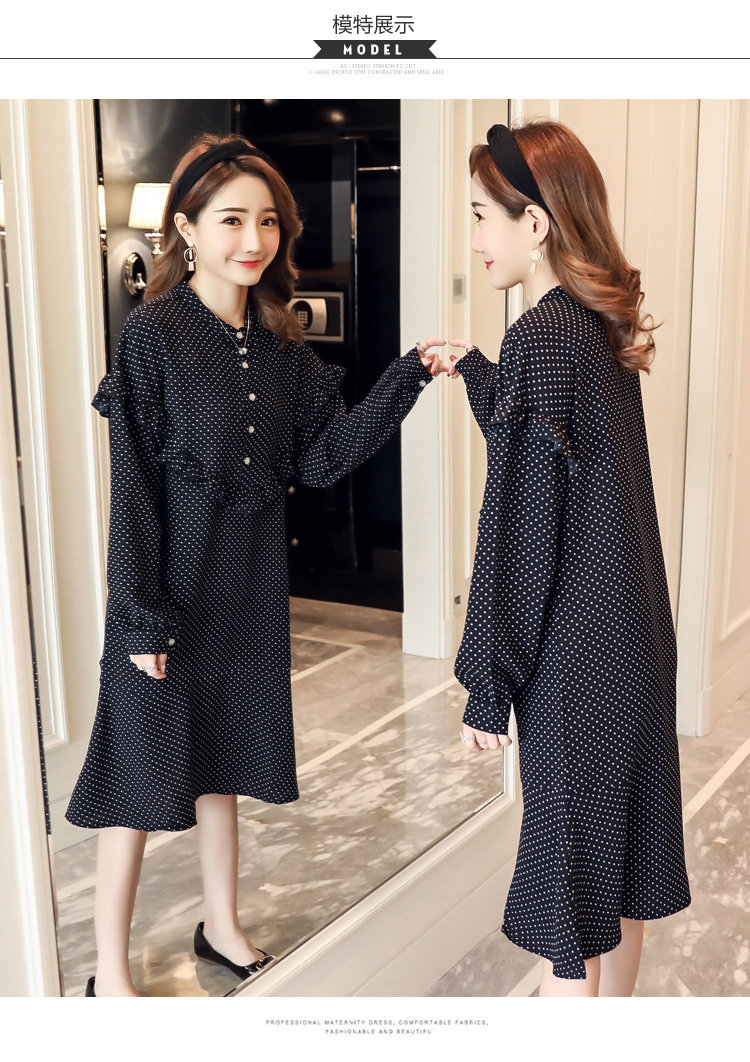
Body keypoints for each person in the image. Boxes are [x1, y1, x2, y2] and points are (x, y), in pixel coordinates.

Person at [65, 133, 447, 997]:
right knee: (136, 775)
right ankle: (109, 974)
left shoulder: (281, 344)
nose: (254, 239)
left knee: (226, 758)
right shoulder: (154, 335)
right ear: (187, 229)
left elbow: (322, 456)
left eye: (268, 221)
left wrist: (407, 377)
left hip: (246, 587)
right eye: (232, 220)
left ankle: (222, 926)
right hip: (164, 591)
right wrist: (140, 616)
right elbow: (134, 486)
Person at [445, 120, 691, 997]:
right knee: (614, 881)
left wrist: (488, 679)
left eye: (482, 215)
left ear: (535, 223)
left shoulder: (542, 337)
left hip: (578, 662)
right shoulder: (593, 327)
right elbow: (561, 464)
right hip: (635, 643)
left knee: (569, 915)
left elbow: (519, 527)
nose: (476, 238)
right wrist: (485, 376)